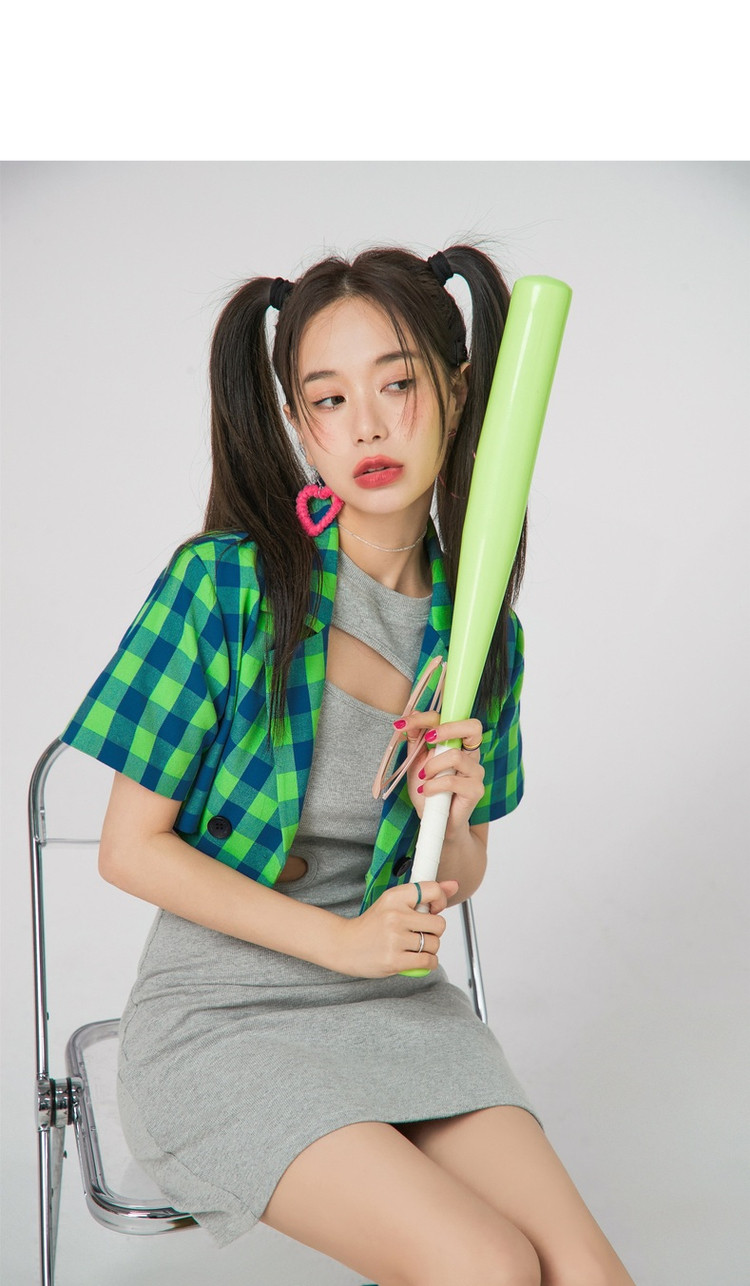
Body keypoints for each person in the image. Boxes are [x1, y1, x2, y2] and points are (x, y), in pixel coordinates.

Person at [61, 243, 635, 1285]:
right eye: (329, 399)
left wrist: (454, 815)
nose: (367, 425)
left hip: (396, 1006)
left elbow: (458, 872)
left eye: (397, 384)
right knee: (490, 1266)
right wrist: (342, 942)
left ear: (458, 391)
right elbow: (129, 849)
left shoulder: (483, 637)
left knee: (589, 1276)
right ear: (299, 423)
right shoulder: (224, 585)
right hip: (222, 1018)